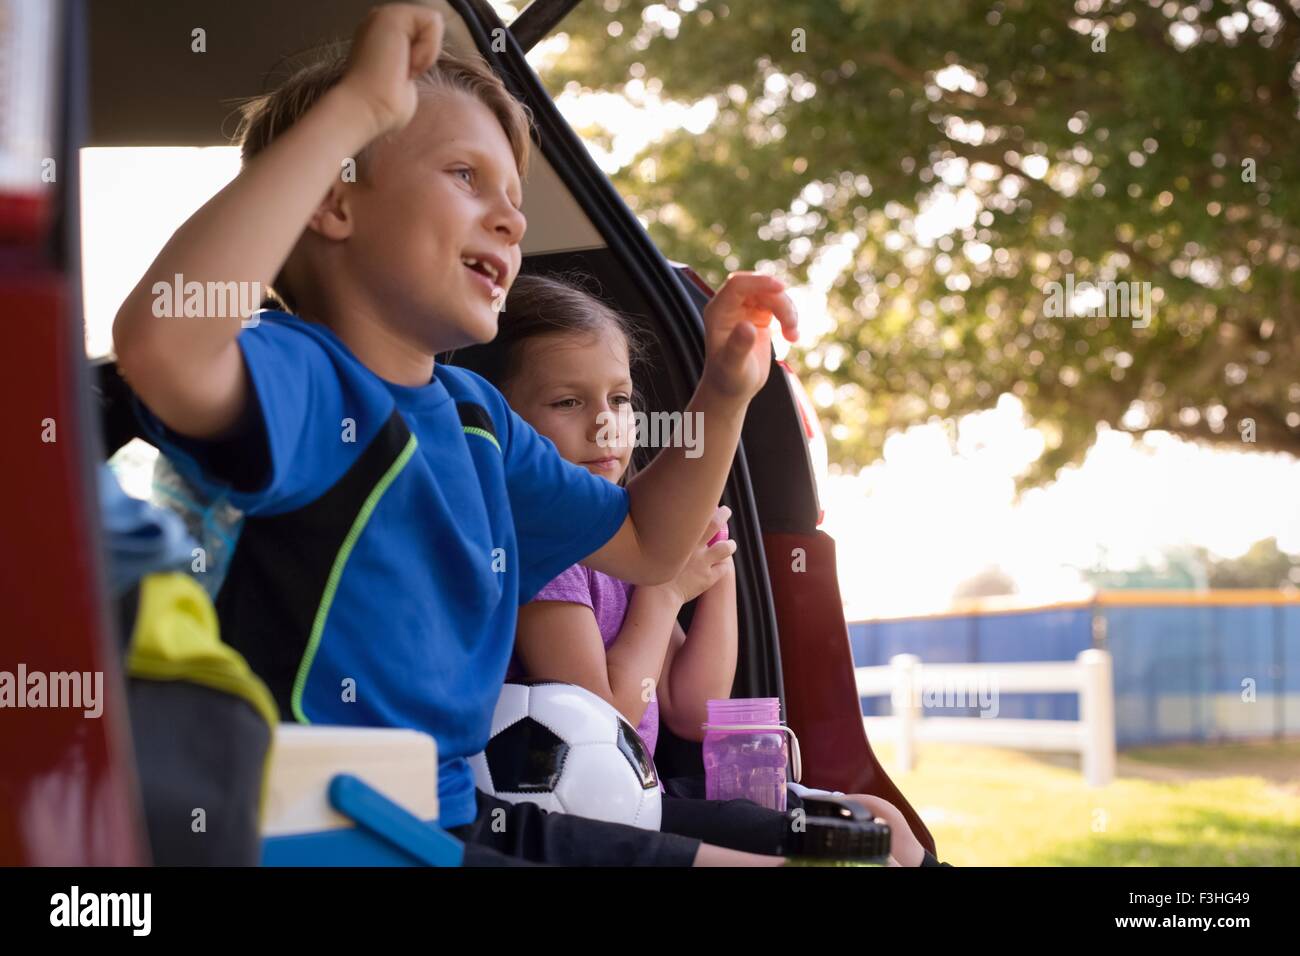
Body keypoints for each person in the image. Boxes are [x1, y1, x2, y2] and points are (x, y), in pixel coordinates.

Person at [111, 4, 798, 866]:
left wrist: (723, 393)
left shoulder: (476, 418)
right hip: (324, 832)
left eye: (513, 198)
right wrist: (357, 108)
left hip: (453, 811)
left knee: (835, 849)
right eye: (466, 177)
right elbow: (160, 344)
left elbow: (651, 542)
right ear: (333, 200)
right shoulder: (302, 378)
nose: (511, 221)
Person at [459, 272, 943, 866]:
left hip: (645, 794)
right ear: (506, 426)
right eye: (567, 402)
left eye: (619, 400)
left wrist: (714, 564)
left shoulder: (623, 546)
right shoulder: (550, 550)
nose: (605, 424)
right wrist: (663, 593)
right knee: (852, 846)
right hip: (591, 812)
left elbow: (693, 707)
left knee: (883, 823)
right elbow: (607, 716)